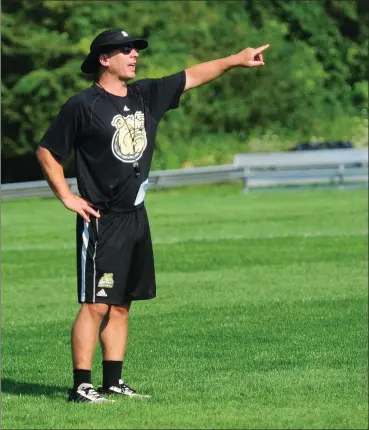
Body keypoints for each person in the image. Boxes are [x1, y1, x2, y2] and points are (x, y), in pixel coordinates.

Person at [37, 28, 269, 403]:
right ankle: (81, 385)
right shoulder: (83, 105)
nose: (134, 55)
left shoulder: (145, 95)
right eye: (125, 50)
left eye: (135, 49)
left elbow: (192, 75)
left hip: (136, 217)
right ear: (103, 58)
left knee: (123, 304)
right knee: (95, 304)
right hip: (102, 219)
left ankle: (113, 382)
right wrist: (66, 196)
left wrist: (234, 61)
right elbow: (48, 151)